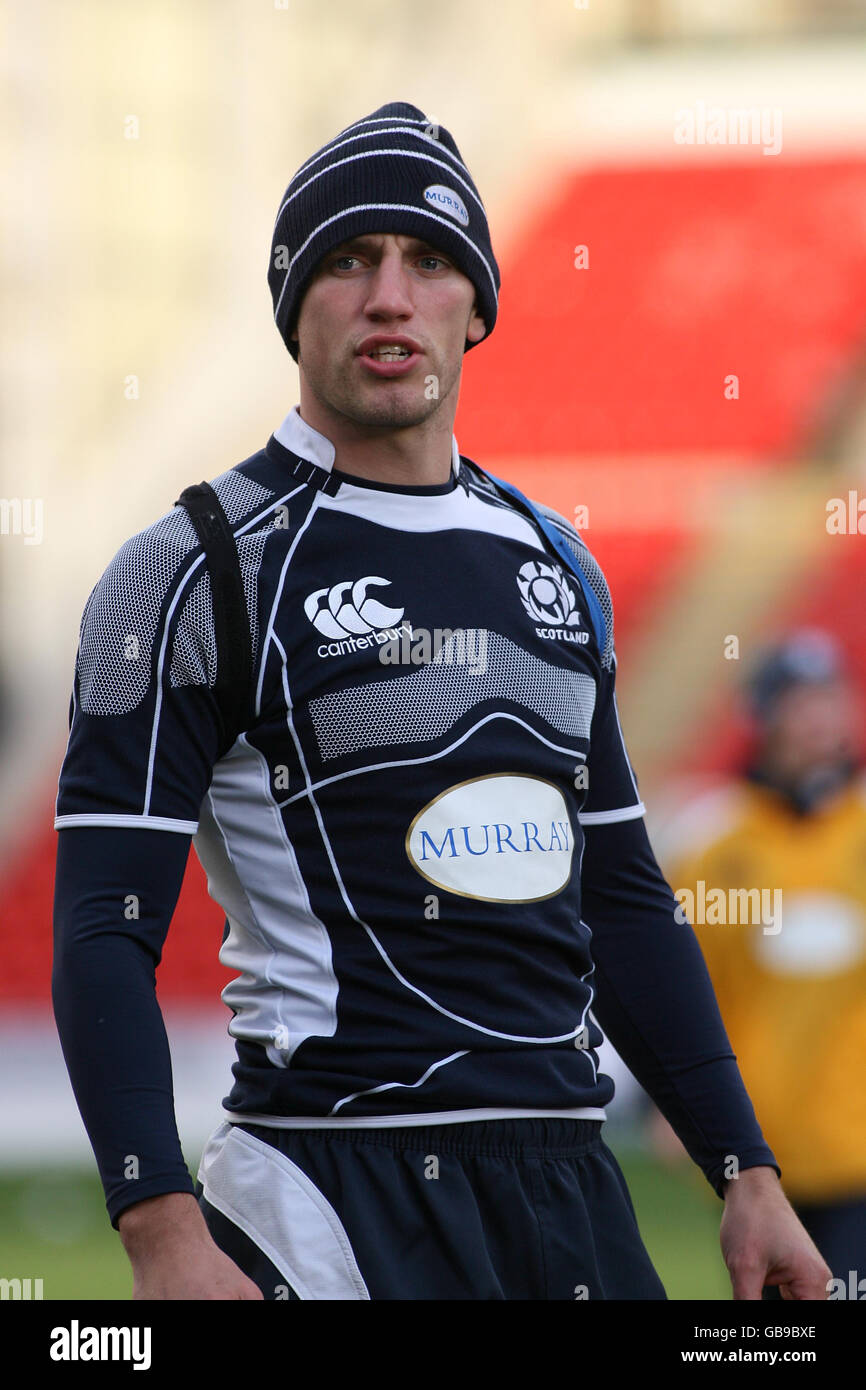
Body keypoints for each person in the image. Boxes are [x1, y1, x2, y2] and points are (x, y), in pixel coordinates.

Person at [52, 100, 829, 1301]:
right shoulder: (191, 569)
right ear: (292, 303)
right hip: (326, 1193)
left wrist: (745, 1165)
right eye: (347, 261)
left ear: (477, 306)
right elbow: (104, 928)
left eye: (428, 261)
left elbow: (618, 898)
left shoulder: (555, 563)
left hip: (569, 1187)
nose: (388, 297)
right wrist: (160, 1230)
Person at [659, 630, 866, 1299]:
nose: (818, 719)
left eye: (829, 699)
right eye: (799, 701)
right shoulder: (712, 840)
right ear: (763, 716)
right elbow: (683, 984)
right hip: (759, 1156)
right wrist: (666, 1105)